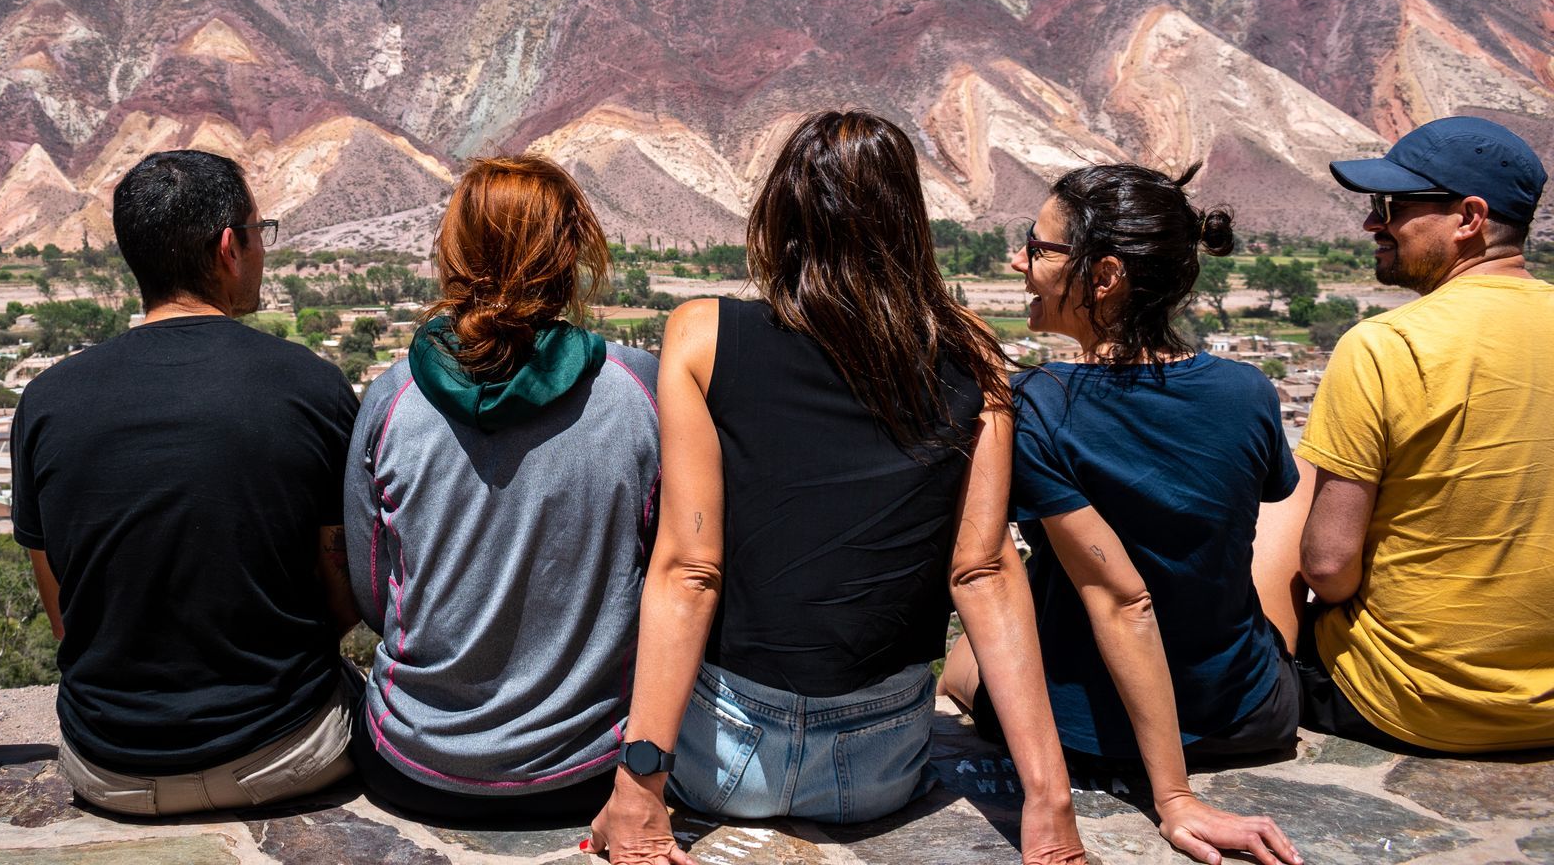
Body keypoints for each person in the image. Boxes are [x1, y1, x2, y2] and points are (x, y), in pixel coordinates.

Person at [592, 112, 1087, 864]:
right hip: (880, 764)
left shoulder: (702, 336)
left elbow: (691, 571)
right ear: (907, 223)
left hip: (725, 756)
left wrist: (638, 788)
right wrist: (1048, 804)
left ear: (782, 216)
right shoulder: (974, 354)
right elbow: (981, 571)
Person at [941, 164, 1301, 865]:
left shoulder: (1040, 404)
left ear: (1103, 277)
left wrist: (1174, 800)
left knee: (962, 658)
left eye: (1037, 247)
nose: (1019, 260)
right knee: (1306, 476)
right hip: (1245, 712)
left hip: (1092, 731)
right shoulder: (1248, 392)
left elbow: (1122, 598)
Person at [11, 149, 361, 815]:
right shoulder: (309, 385)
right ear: (229, 247)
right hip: (286, 754)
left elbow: (64, 614)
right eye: (261, 233)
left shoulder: (47, 401)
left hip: (107, 767)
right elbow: (344, 595)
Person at [345, 156, 661, 821]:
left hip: (414, 765)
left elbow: (375, 594)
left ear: (452, 253)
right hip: (589, 771)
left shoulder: (393, 400)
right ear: (571, 251)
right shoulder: (638, 390)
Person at [1296, 115, 1554, 753]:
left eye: (1391, 206)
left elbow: (1328, 570)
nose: (1372, 224)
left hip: (1407, 699)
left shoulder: (1387, 345)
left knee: (1288, 488)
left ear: (1469, 217)